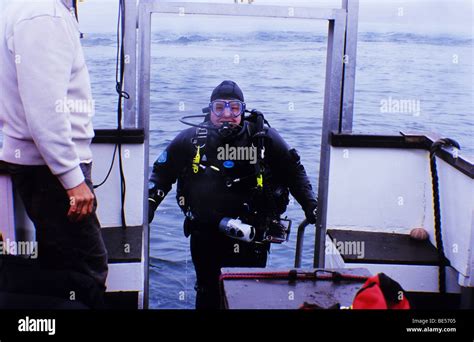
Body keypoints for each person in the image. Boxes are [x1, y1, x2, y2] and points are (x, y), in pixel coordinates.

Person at [148, 80, 317, 309]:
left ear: (243, 110)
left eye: (234, 108)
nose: (227, 114)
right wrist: (149, 204)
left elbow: (294, 171)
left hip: (251, 237)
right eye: (220, 107)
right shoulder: (191, 139)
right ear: (210, 110)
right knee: (208, 292)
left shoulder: (262, 138)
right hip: (206, 234)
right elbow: (161, 173)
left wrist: (312, 205)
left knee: (246, 294)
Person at [0, 0, 107, 308]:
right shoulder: (44, 14)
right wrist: (72, 180)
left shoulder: (25, 9)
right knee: (87, 271)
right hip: (51, 172)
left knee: (59, 269)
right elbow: (46, 110)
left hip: (41, 167)